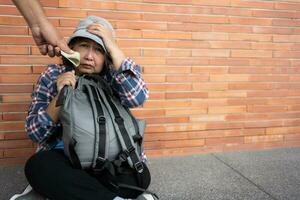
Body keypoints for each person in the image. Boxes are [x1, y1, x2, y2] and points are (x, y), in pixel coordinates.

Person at [11, 16, 156, 200]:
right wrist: (61, 95)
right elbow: (35, 133)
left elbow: (137, 97)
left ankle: (63, 193)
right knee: (38, 166)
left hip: (110, 160)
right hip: (65, 158)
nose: (89, 56)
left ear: (107, 56)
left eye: (98, 50)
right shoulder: (53, 74)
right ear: (72, 49)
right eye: (83, 46)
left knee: (140, 176)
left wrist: (114, 47)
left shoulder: (114, 77)